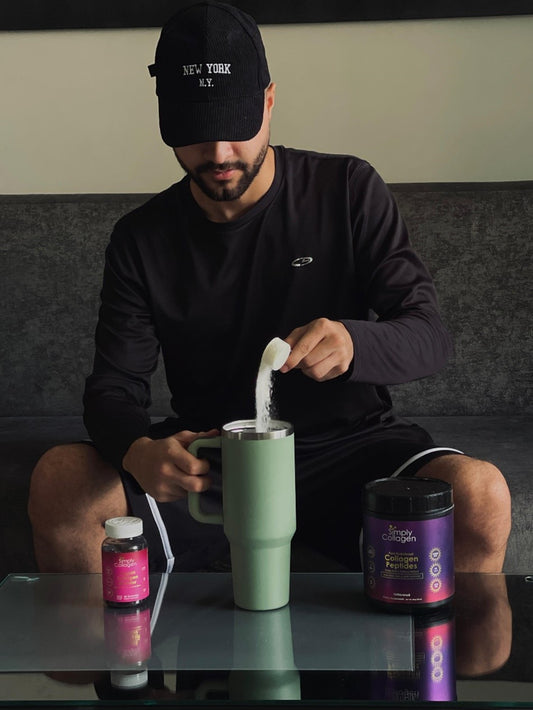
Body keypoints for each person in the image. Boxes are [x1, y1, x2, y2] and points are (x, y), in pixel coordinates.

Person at [28, 0, 510, 575]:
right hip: (215, 466)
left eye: (237, 126)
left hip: (351, 453)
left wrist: (355, 344)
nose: (219, 155)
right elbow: (113, 388)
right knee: (60, 478)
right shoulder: (141, 239)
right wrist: (138, 450)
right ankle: (121, 664)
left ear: (270, 100)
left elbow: (430, 336)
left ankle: (441, 662)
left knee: (479, 494)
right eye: (197, 134)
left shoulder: (348, 190)